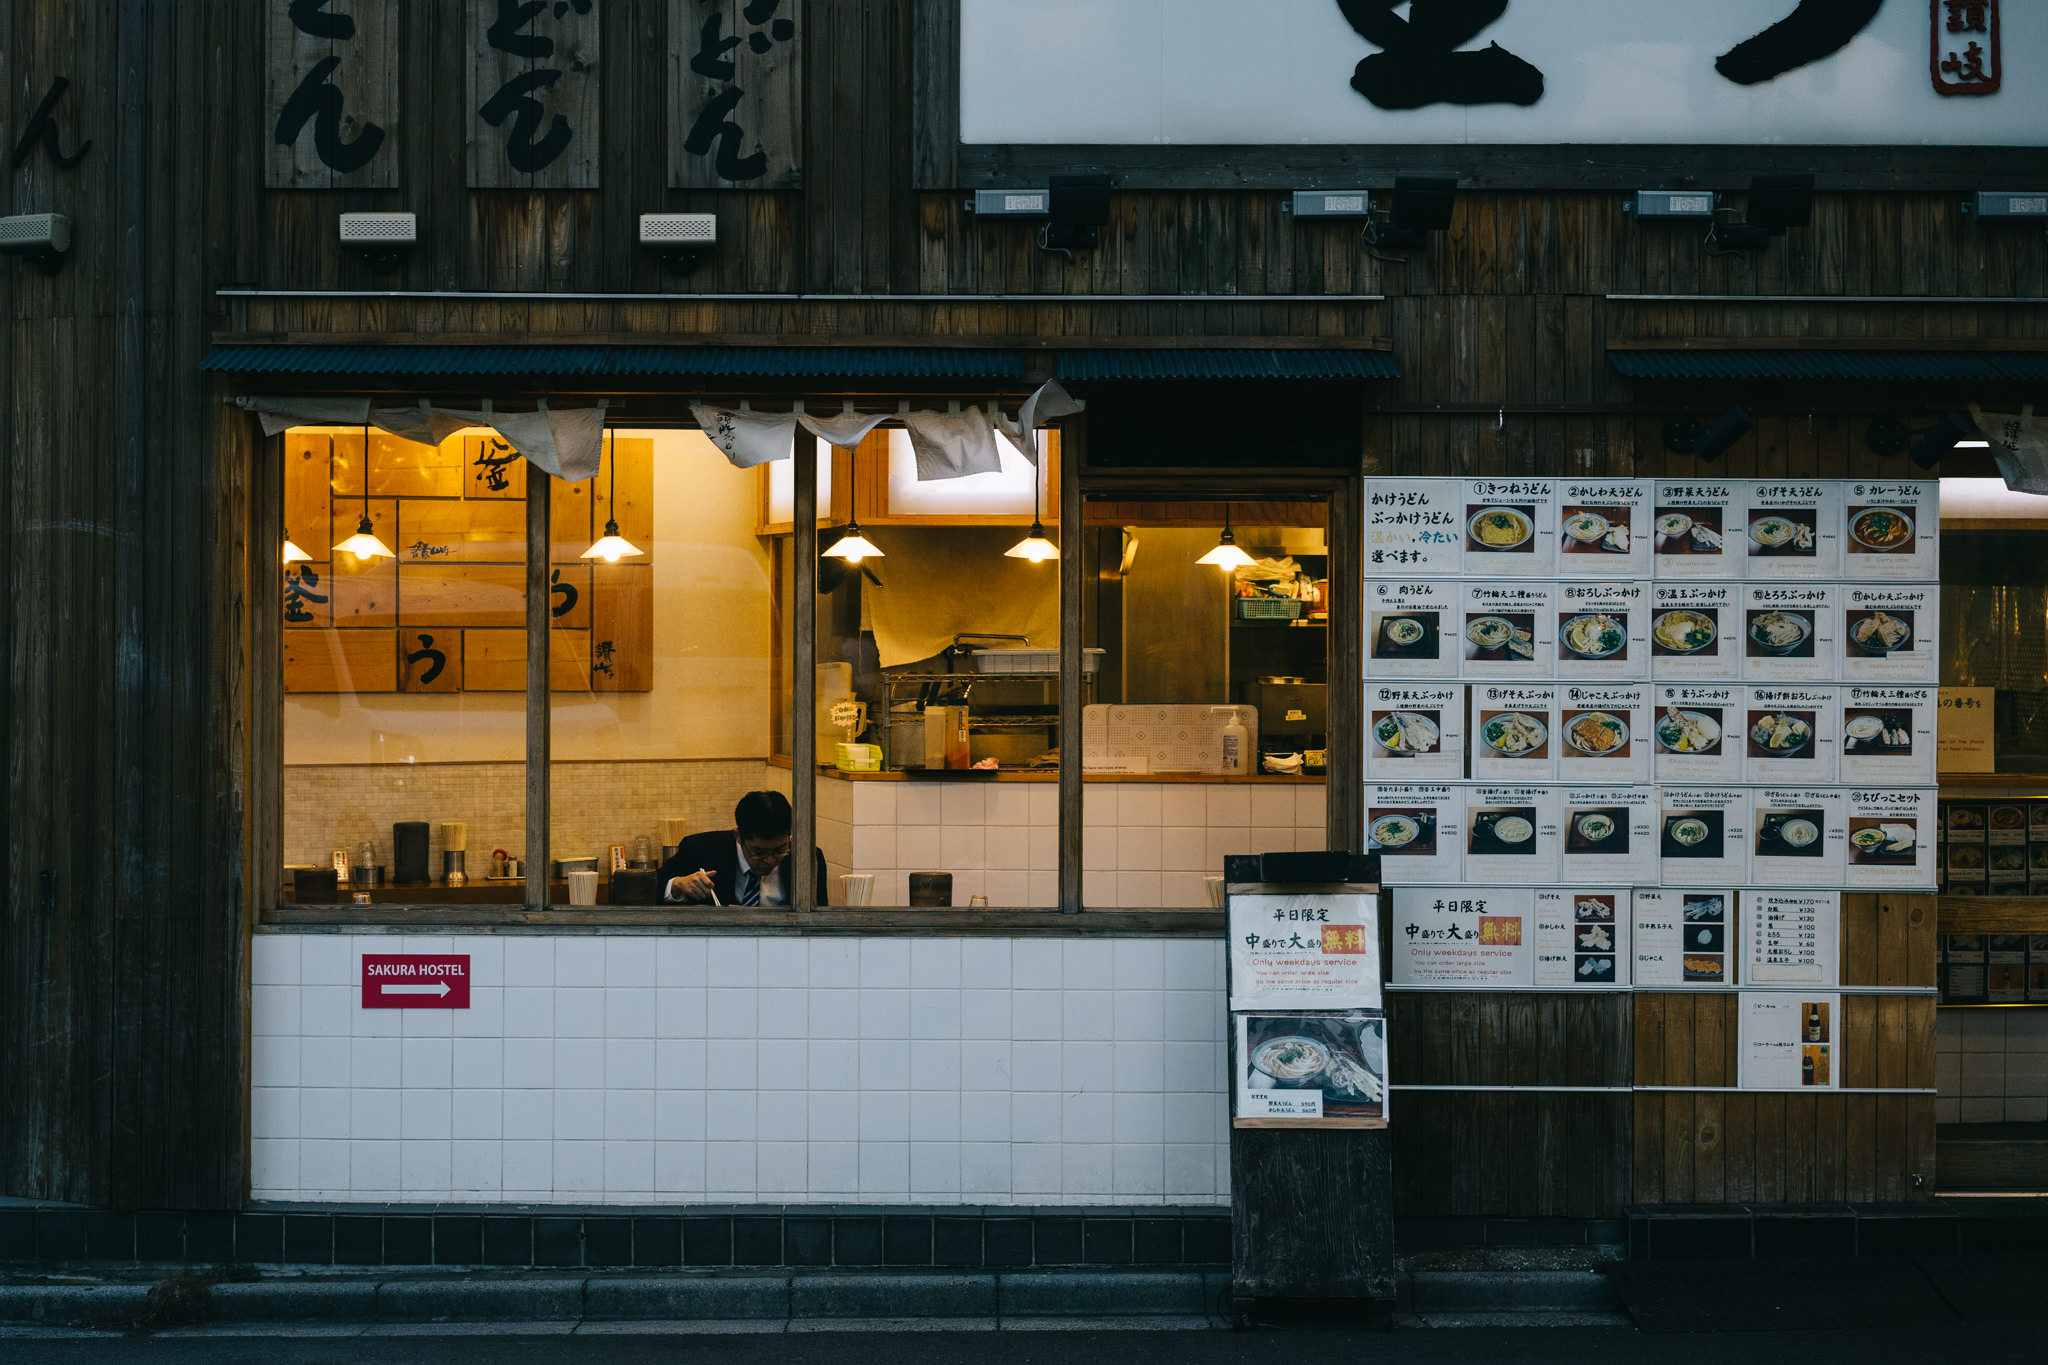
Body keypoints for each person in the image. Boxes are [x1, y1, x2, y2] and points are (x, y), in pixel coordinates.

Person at [658, 791, 829, 908]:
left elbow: (819, 917)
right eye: (758, 852)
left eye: (780, 850)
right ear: (738, 836)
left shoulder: (807, 858)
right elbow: (653, 888)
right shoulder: (700, 849)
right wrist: (678, 885)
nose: (770, 860)